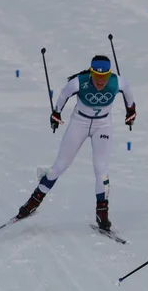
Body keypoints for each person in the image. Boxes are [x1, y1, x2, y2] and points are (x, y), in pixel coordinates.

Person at [16, 55, 137, 231]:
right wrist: (56, 114)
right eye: (97, 76)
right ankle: (33, 202)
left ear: (109, 75)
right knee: (60, 166)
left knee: (101, 169)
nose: (100, 82)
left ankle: (102, 214)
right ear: (91, 73)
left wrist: (131, 112)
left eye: (104, 77)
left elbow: (128, 93)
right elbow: (63, 95)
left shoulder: (117, 82)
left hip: (103, 125)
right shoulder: (79, 82)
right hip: (79, 123)